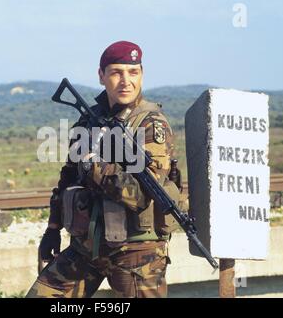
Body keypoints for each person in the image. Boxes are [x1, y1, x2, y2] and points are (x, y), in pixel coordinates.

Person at [27, 41, 181, 298]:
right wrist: (52, 228)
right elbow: (68, 176)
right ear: (101, 76)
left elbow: (141, 196)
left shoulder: (151, 125)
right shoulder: (89, 118)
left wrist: (95, 166)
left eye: (133, 72)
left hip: (136, 252)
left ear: (142, 75)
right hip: (88, 247)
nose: (126, 81)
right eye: (116, 72)